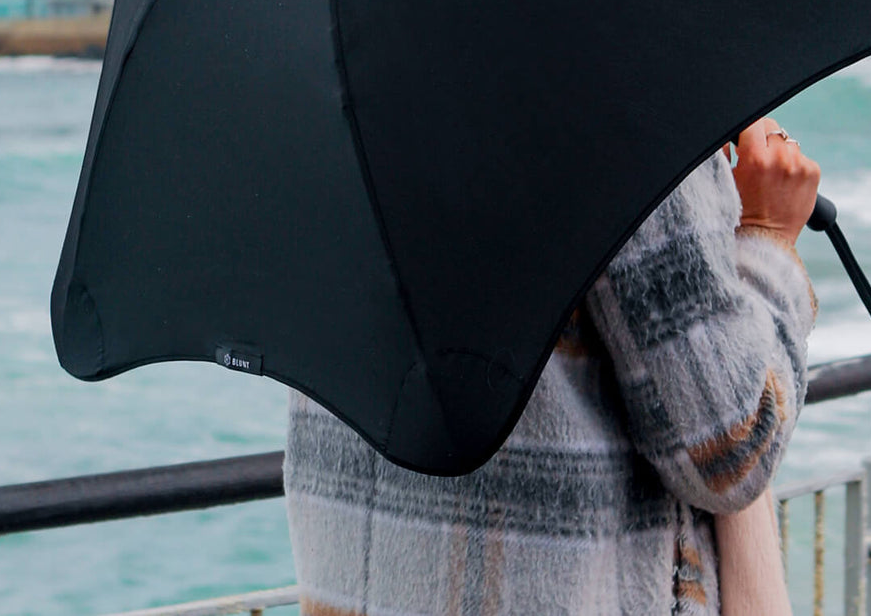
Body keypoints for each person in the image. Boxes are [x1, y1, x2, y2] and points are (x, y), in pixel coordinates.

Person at [284, 116, 820, 615]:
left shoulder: (319, 89)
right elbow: (727, 448)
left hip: (357, 586)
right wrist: (768, 234)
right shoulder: (616, 76)